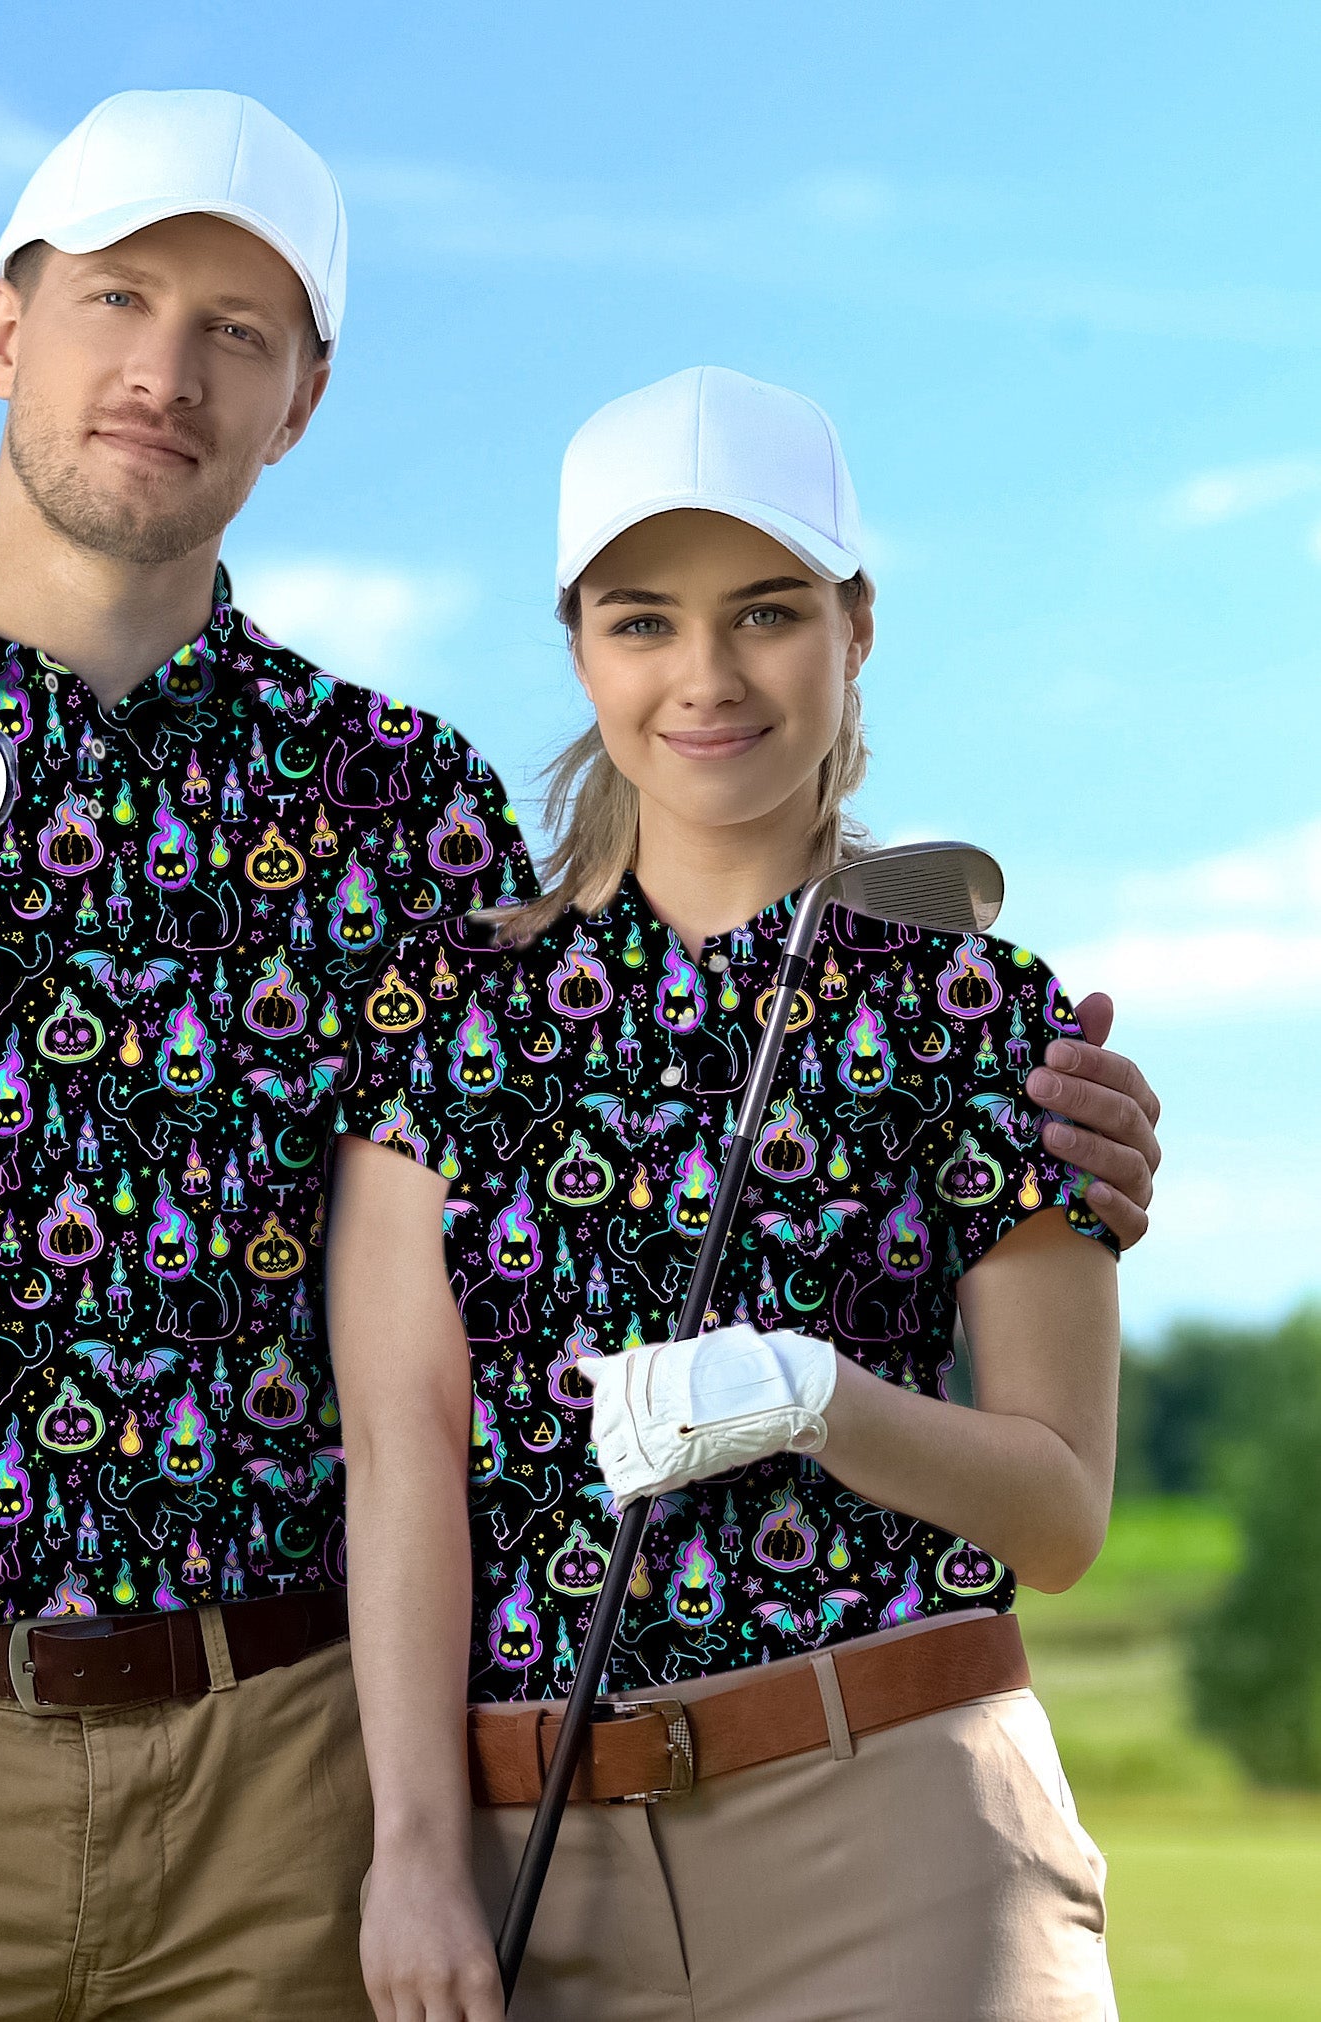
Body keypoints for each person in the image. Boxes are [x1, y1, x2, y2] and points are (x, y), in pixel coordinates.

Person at [0, 83, 1160, 2018]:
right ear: (2, 324)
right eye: (116, 298)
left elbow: (624, 1139)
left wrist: (1013, 1106)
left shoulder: (399, 803)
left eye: (235, 331)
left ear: (302, 399)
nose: (164, 372)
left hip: (292, 1788)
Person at [329, 367, 1130, 2020]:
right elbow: (404, 1453)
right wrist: (409, 1848)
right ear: (578, 647)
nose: (705, 675)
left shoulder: (978, 1010)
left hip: (900, 1821)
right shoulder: (444, 1015)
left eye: (765, 611)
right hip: (538, 1856)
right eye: (643, 621)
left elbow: (1057, 1517)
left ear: (854, 627)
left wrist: (813, 1397)